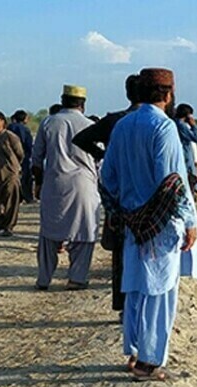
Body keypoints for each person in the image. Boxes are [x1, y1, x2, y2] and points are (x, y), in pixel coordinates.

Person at [101, 67, 197, 380]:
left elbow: (106, 177)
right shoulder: (163, 127)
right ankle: (150, 362)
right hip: (160, 225)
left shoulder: (122, 126)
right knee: (160, 291)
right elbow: (172, 182)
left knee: (135, 287)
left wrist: (120, 209)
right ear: (168, 94)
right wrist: (190, 222)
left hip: (131, 222)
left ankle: (135, 352)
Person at [72, 74, 143, 316]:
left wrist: (104, 156)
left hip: (119, 195)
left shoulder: (115, 120)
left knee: (121, 254)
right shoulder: (157, 121)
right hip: (146, 196)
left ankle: (123, 307)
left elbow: (81, 139)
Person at [31, 84, 100, 291]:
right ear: (83, 104)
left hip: (55, 183)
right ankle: (76, 278)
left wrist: (38, 183)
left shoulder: (49, 123)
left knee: (49, 232)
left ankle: (44, 279)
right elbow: (99, 159)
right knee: (85, 232)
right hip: (84, 184)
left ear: (62, 100)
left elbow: (36, 159)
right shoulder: (90, 125)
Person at [7, 110, 35, 203]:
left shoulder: (9, 128)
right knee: (26, 177)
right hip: (24, 156)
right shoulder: (24, 129)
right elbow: (28, 144)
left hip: (10, 156)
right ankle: (27, 197)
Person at [174, 103, 197, 176]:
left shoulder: (174, 122)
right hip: (185, 155)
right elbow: (196, 138)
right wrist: (193, 126)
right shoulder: (181, 125)